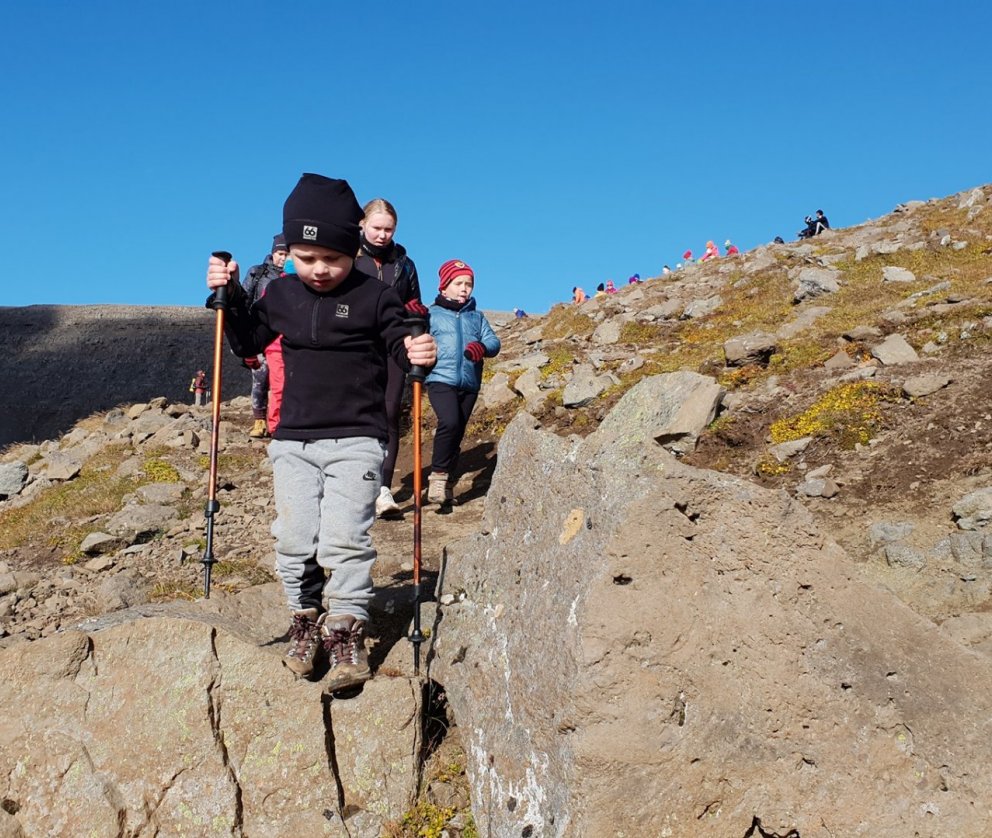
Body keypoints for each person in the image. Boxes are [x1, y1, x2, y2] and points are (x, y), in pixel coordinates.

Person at [204, 173, 437, 691]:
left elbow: (401, 339)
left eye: (331, 257)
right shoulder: (281, 294)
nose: (319, 269)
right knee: (292, 537)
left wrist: (417, 351)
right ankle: (304, 620)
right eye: (306, 258)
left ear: (352, 248)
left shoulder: (376, 296)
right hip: (293, 439)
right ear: (289, 251)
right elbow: (247, 343)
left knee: (344, 539)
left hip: (357, 436)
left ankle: (346, 630)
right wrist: (228, 295)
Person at [354, 198, 427, 518]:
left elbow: (417, 304)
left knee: (389, 413)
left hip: (395, 344)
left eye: (389, 229)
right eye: (377, 228)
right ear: (362, 225)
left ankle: (382, 488)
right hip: (356, 345)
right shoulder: (347, 257)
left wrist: (417, 315)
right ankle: (354, 483)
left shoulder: (404, 264)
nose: (383, 235)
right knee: (356, 413)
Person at [425, 260, 500, 505]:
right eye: (458, 283)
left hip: (469, 382)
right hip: (440, 378)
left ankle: (446, 485)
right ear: (444, 286)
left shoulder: (477, 318)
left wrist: (481, 347)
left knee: (457, 432)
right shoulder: (431, 314)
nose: (464, 289)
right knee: (450, 421)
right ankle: (437, 477)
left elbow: (493, 343)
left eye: (468, 284)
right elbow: (417, 340)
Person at [241, 235, 289, 438]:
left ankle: (279, 421)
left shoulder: (296, 276)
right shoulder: (257, 273)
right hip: (261, 334)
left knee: (283, 381)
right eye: (280, 253)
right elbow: (244, 301)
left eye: (287, 254)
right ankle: (260, 420)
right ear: (273, 252)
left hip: (285, 336)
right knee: (260, 378)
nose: (283, 258)